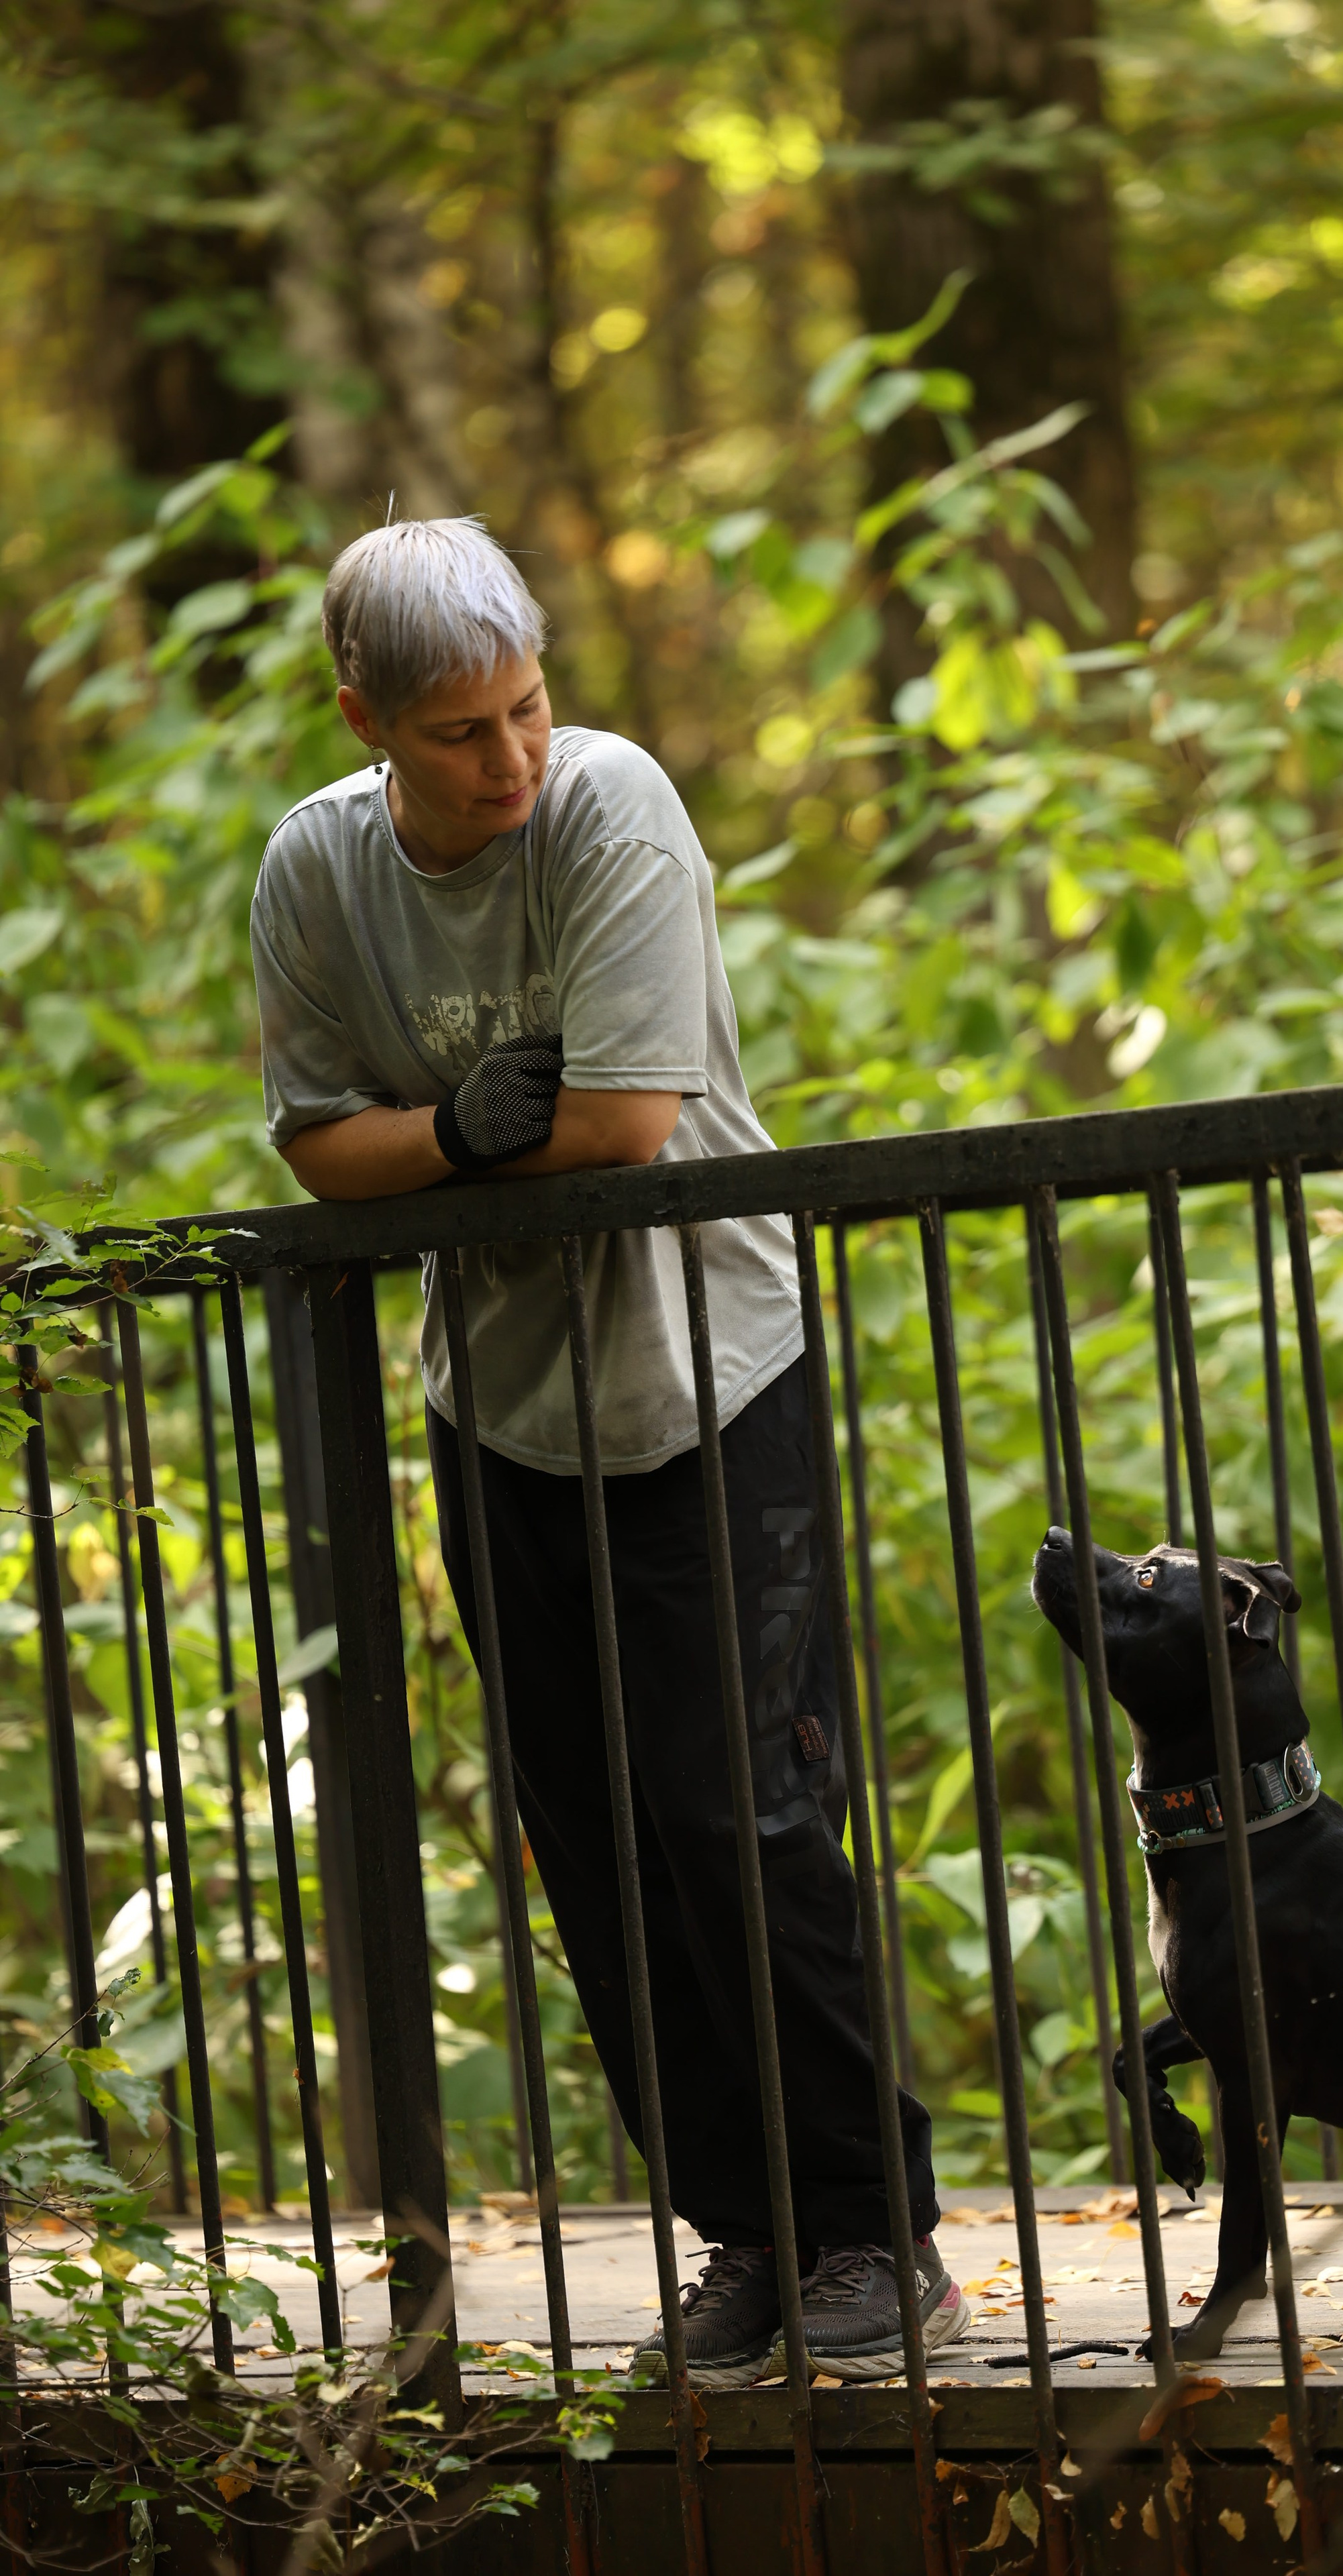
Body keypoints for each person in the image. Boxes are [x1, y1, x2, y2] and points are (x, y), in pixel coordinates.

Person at [248, 515, 963, 2388]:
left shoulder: (613, 804)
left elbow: (634, 1120)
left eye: (527, 706)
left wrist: (454, 1140)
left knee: (740, 1808)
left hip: (704, 1375)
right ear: (366, 723)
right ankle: (753, 2232)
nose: (511, 760)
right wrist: (452, 1135)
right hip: (497, 1402)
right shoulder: (319, 870)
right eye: (461, 734)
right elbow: (317, 1144)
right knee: (595, 1837)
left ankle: (878, 2232)